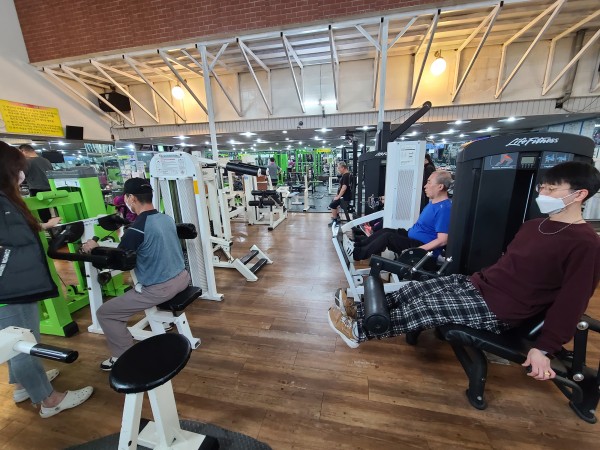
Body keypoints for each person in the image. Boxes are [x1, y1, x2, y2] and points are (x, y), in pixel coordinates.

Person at [328, 161, 600, 382]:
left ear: (579, 194)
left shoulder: (585, 244)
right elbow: (509, 265)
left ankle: (361, 331)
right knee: (417, 289)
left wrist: (545, 348)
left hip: (503, 308)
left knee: (427, 307)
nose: (544, 194)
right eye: (543, 187)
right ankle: (359, 311)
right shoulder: (534, 226)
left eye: (552, 189)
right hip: (482, 284)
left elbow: (573, 300)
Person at [0, 141, 94, 418]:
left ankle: (22, 386)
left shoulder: (6, 201)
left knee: (15, 339)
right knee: (23, 344)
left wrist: (43, 226)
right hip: (11, 289)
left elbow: (13, 234)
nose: (22, 175)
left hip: (17, 285)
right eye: (18, 169)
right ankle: (49, 400)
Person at [81, 178, 190, 371]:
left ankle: (122, 357)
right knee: (137, 283)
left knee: (106, 313)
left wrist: (95, 248)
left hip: (160, 289)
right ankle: (162, 322)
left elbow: (120, 261)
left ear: (131, 198)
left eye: (126, 198)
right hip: (182, 278)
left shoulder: (136, 229)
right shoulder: (166, 218)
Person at [347, 170, 452, 261]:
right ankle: (358, 245)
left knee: (388, 237)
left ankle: (357, 254)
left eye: (429, 182)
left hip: (422, 247)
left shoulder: (444, 208)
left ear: (440, 186)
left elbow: (443, 240)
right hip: (411, 237)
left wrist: (417, 250)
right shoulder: (433, 203)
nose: (425, 186)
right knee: (386, 230)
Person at [19, 144, 53, 223]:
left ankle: (48, 226)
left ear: (23, 151)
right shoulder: (46, 160)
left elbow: (22, 177)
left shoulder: (27, 162)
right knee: (55, 206)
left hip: (36, 189)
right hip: (50, 187)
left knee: (42, 210)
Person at [328, 161, 352, 226]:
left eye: (339, 168)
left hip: (344, 198)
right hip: (344, 196)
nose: (338, 170)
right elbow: (341, 187)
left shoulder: (346, 175)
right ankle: (337, 217)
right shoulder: (346, 175)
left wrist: (338, 197)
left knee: (332, 205)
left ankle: (335, 220)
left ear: (343, 168)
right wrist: (337, 195)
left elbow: (344, 188)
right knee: (333, 201)